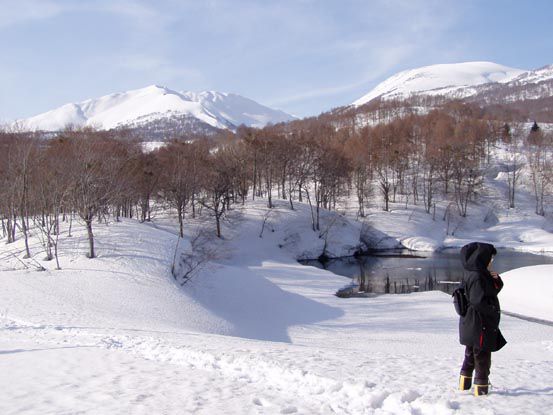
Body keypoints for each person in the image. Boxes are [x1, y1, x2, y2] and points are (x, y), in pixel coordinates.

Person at [458, 242, 507, 396]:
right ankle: (481, 392)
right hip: (480, 323)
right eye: (490, 258)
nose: (491, 261)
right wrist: (492, 311)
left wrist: (496, 279)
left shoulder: (473, 272)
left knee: (471, 354)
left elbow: (490, 292)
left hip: (470, 323)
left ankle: (463, 386)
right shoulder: (478, 275)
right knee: (482, 357)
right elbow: (479, 300)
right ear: (482, 257)